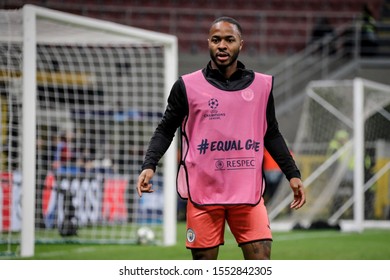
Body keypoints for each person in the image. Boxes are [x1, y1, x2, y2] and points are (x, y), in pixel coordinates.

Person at [137, 16, 306, 260]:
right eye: (216, 40)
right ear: (208, 43)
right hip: (203, 195)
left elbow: (271, 133)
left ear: (241, 44)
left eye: (229, 39)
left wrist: (293, 174)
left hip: (247, 195)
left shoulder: (261, 86)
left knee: (261, 263)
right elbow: (165, 129)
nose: (222, 45)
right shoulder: (186, 86)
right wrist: (149, 165)